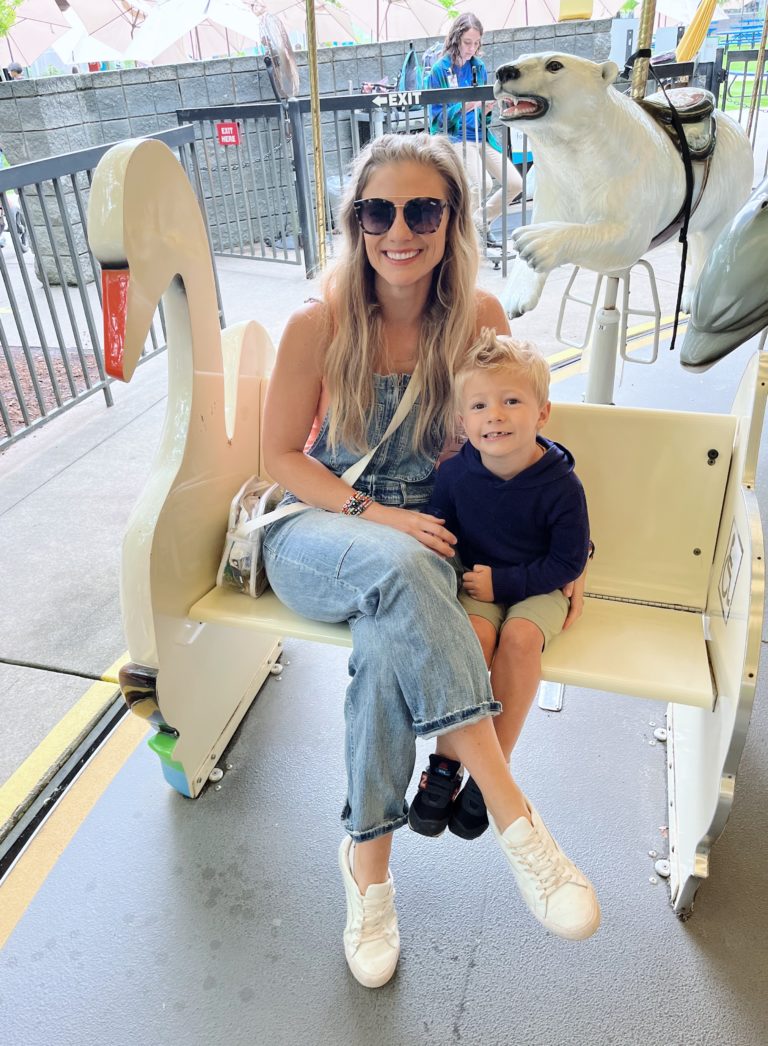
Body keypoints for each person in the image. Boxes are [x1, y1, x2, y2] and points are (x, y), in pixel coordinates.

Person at [261, 132, 599, 991]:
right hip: (322, 527)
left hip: (433, 535)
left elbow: (512, 437)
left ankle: (367, 871)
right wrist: (379, 518)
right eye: (378, 212)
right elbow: (281, 460)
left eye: (422, 210)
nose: (399, 231)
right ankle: (517, 820)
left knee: (386, 652)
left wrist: (564, 552)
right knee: (403, 570)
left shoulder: (479, 319)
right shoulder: (318, 324)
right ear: (356, 222)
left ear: (452, 220)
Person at [408, 330, 592, 843]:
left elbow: (569, 559)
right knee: (472, 638)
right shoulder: (455, 475)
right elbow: (440, 529)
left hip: (540, 584)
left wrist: (506, 582)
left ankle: (493, 773)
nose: (495, 416)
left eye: (511, 401)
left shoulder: (561, 484)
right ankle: (447, 765)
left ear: (542, 413)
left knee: (520, 638)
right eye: (480, 405)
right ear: (463, 421)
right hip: (477, 582)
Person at [427, 13, 523, 242]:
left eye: (476, 43)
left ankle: (478, 222)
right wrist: (467, 105)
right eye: (467, 42)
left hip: (481, 136)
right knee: (480, 185)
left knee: (515, 183)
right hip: (456, 138)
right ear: (455, 39)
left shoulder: (477, 67)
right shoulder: (439, 70)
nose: (472, 48)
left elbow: (481, 114)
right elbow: (437, 119)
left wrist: (486, 109)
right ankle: (465, 237)